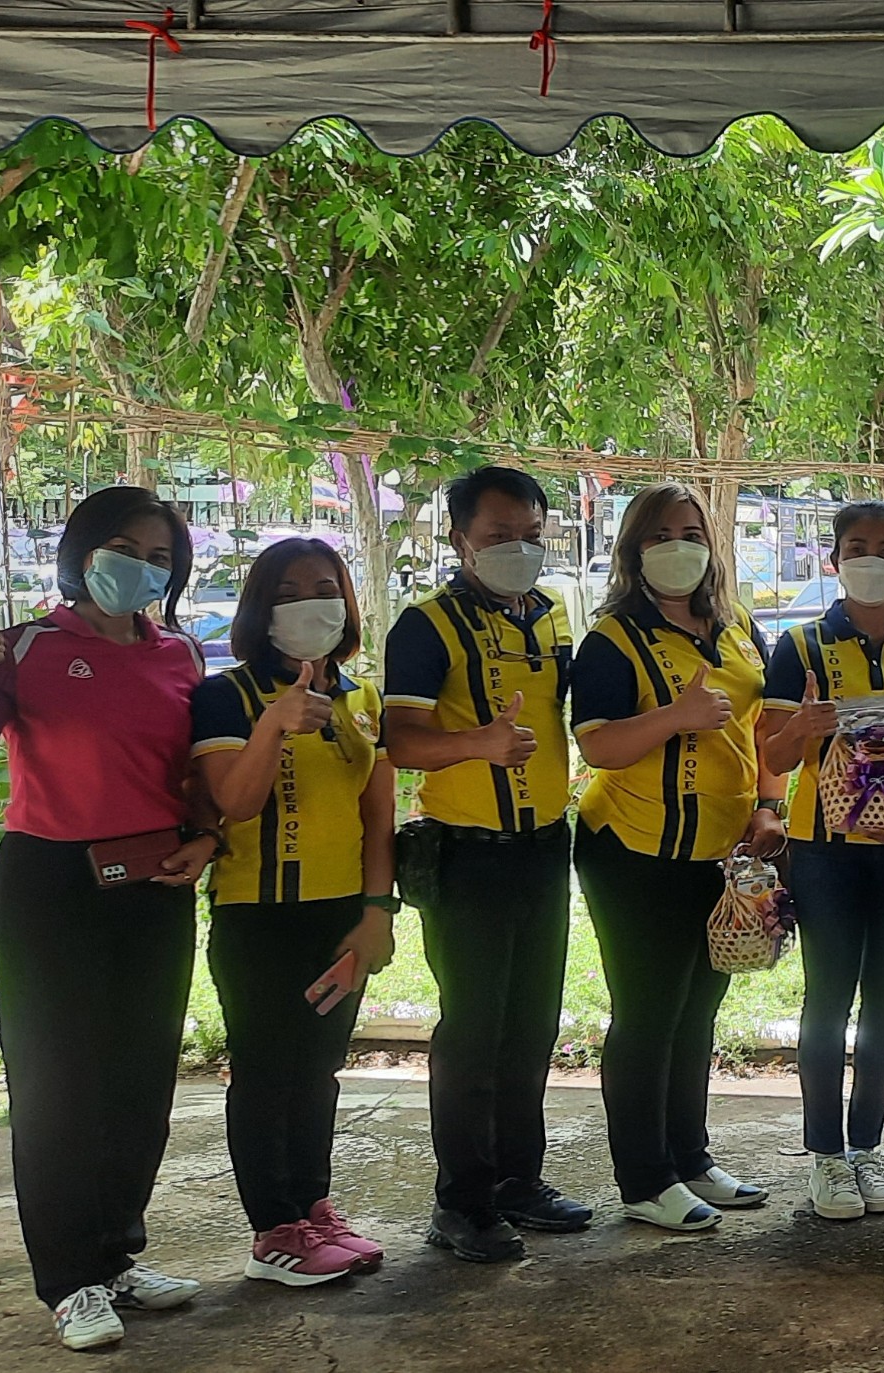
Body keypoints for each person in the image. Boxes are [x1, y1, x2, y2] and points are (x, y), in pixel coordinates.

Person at [0, 486, 219, 1352]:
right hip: (52, 884)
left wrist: (205, 837)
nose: (141, 568)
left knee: (140, 1081)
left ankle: (115, 1257)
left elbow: (192, 773)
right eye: (126, 549)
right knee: (57, 1086)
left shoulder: (181, 653)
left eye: (160, 558)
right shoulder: (25, 648)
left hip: (154, 878)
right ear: (81, 552)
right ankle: (70, 1279)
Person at [382, 465, 588, 1263]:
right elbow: (401, 741)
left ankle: (516, 1180)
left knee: (532, 1022)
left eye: (531, 534)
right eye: (500, 535)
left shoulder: (551, 614)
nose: (518, 548)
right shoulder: (425, 626)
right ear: (460, 539)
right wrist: (479, 743)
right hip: (466, 853)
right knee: (472, 1030)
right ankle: (460, 1202)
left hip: (544, 845)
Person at [569, 484, 784, 1233]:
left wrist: (769, 803)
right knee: (648, 1013)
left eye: (691, 532)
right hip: (635, 852)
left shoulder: (736, 626)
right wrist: (676, 717)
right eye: (659, 534)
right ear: (634, 550)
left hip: (721, 854)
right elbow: (598, 745)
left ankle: (690, 1159)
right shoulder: (613, 639)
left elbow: (761, 727)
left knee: (698, 1010)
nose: (678, 546)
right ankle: (644, 1178)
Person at [187, 537, 397, 1288]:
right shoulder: (226, 696)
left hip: (341, 917)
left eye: (325, 588)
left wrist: (378, 912)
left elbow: (379, 816)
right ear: (260, 609)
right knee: (267, 1070)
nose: (310, 604)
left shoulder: (362, 699)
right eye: (288, 592)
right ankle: (274, 1231)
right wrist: (274, 724)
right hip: (259, 916)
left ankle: (313, 1206)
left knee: (317, 1070)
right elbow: (234, 802)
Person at [762, 501, 884, 1222]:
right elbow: (771, 755)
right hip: (825, 849)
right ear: (834, 558)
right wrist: (801, 727)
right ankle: (826, 1155)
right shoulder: (800, 645)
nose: (871, 559)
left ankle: (868, 1148)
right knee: (827, 998)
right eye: (856, 547)